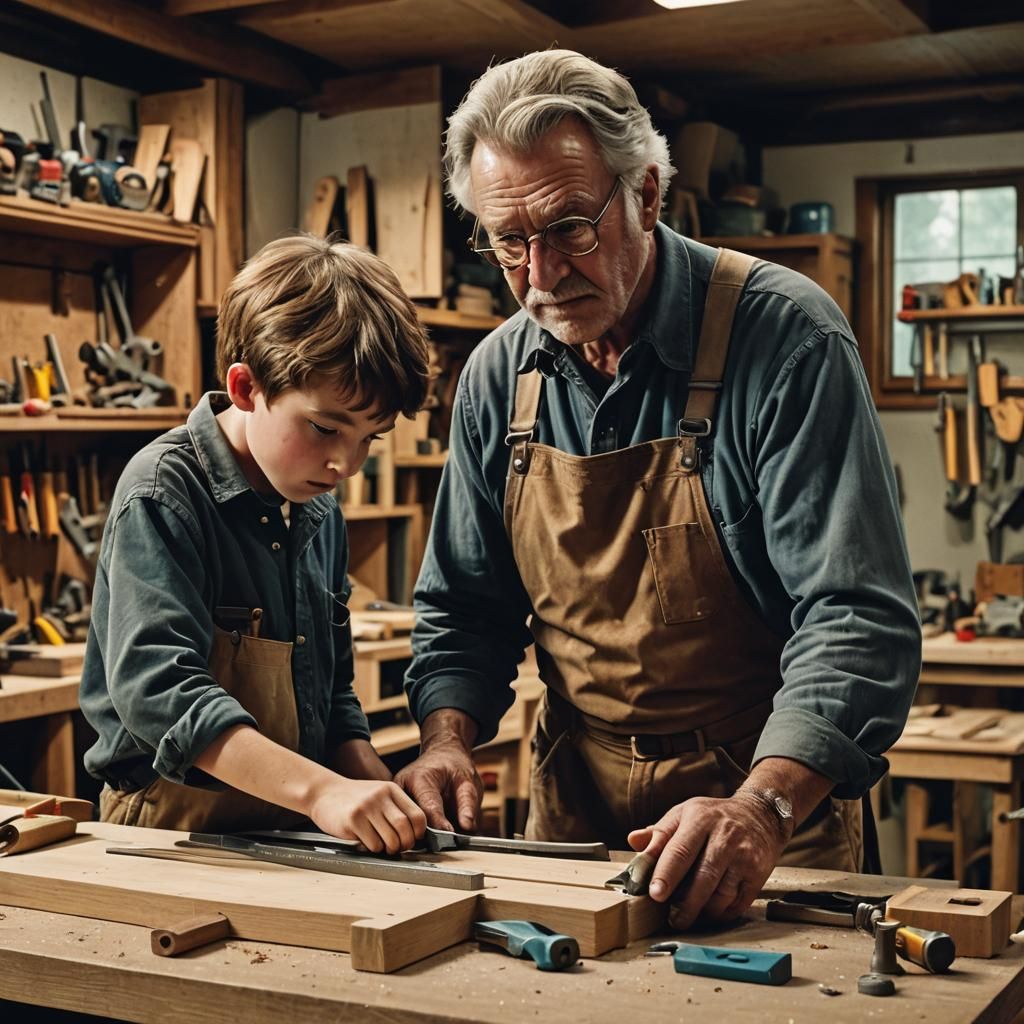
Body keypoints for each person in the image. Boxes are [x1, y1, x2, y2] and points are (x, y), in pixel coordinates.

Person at [397, 50, 921, 926]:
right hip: (575, 804)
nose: (540, 275)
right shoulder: (496, 377)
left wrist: (764, 808)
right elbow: (462, 610)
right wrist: (446, 740)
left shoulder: (787, 340)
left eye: (569, 228)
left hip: (760, 807)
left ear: (646, 194)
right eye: (508, 242)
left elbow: (856, 619)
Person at [80, 235, 430, 853]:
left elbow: (329, 688)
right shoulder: (163, 493)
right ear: (246, 388)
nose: (346, 465)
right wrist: (320, 792)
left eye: (369, 438)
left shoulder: (317, 508)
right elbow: (159, 691)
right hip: (168, 830)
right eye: (324, 428)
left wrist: (365, 778)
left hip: (286, 824)